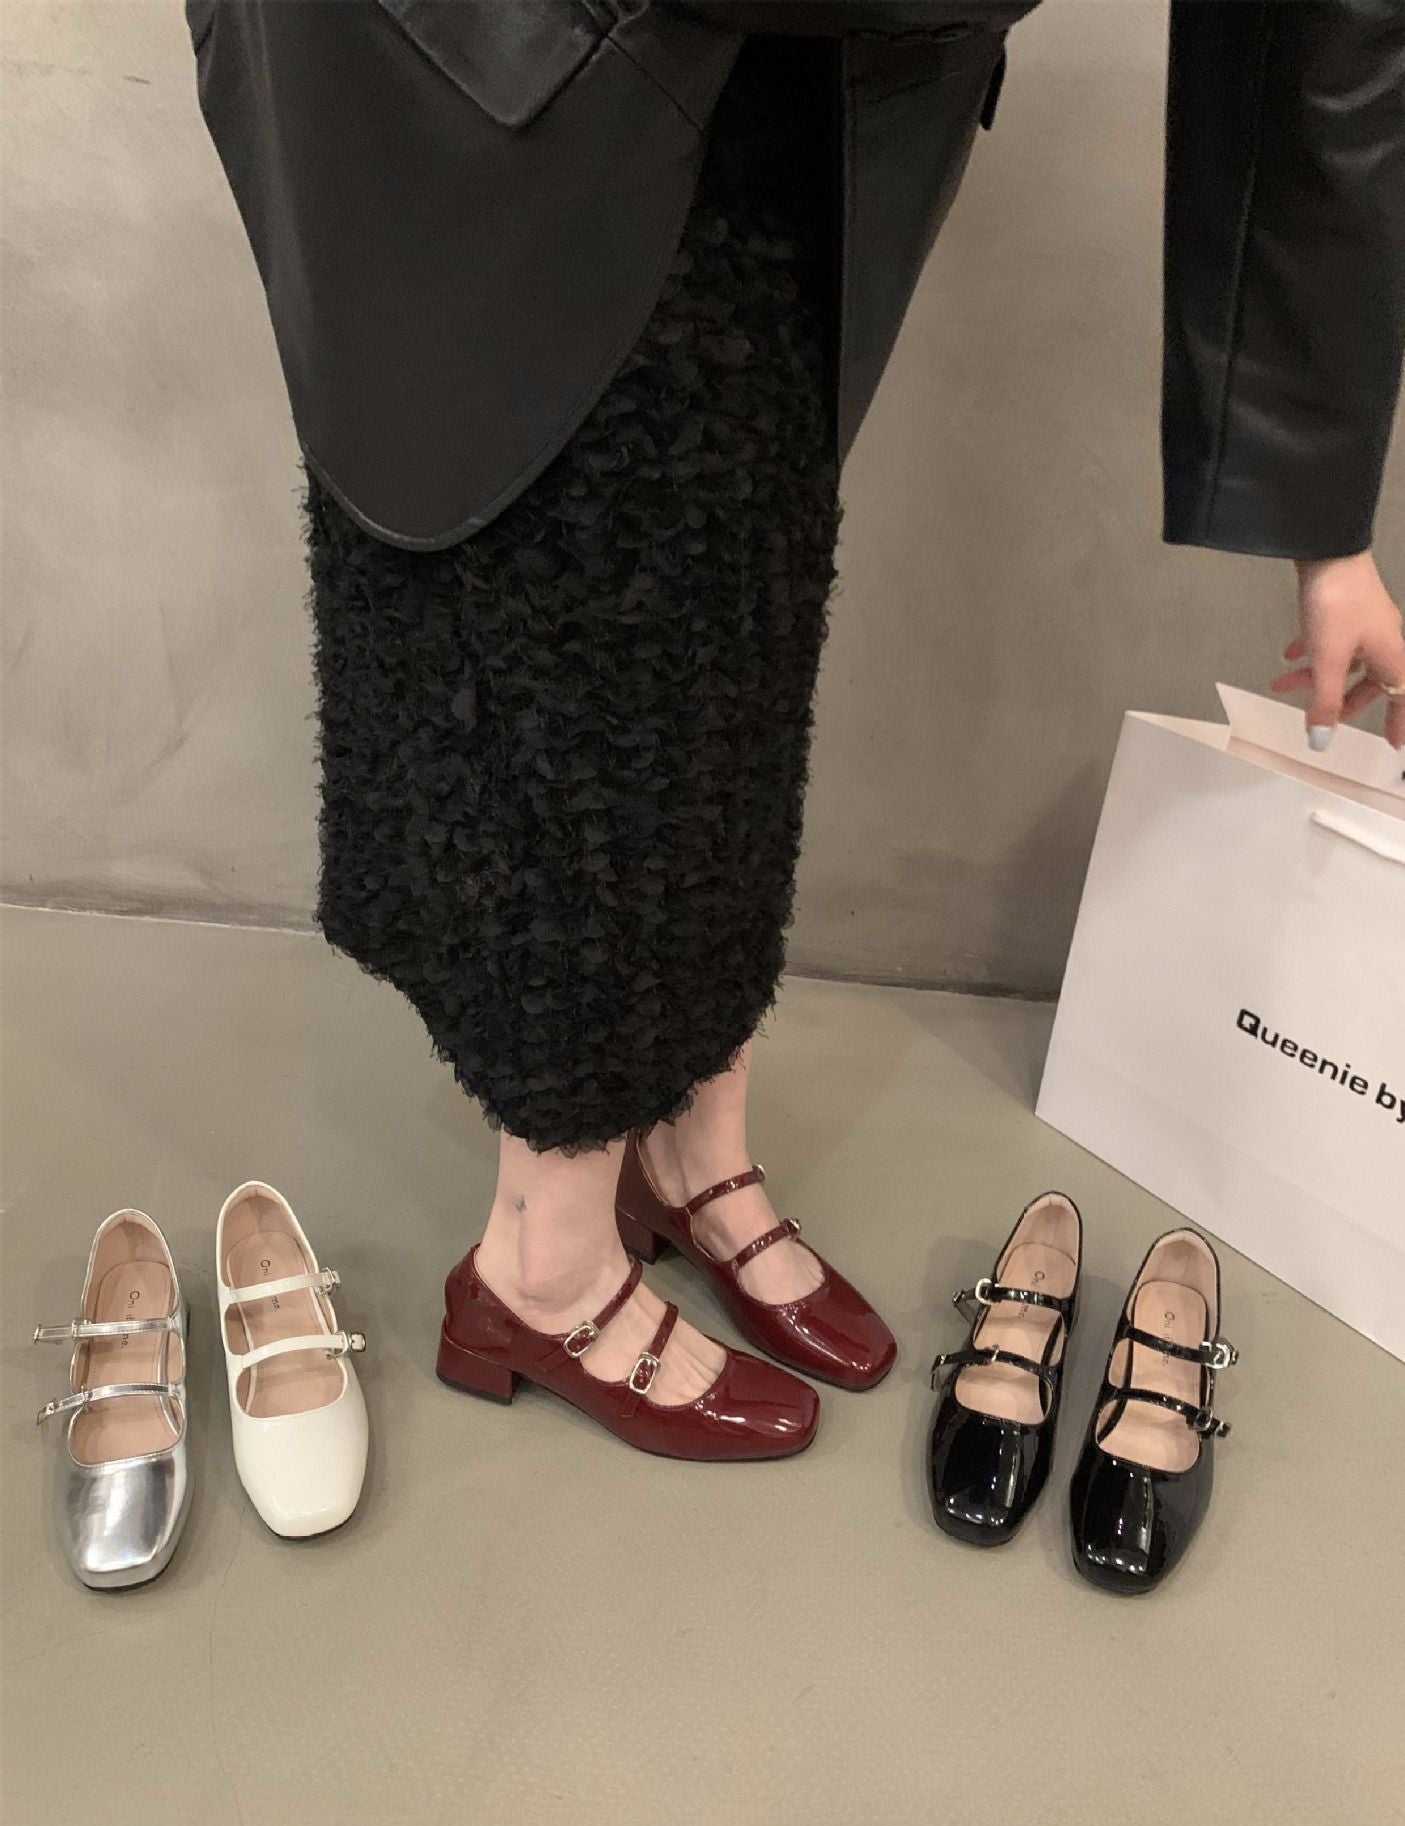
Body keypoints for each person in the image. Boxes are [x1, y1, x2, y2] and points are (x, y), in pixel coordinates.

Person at [186, 1, 1405, 1459]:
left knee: (730, 620)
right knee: (569, 628)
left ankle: (687, 1146)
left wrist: (1326, 532)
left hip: (821, 66)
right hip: (503, 55)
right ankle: (537, 1265)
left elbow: (1316, 39)